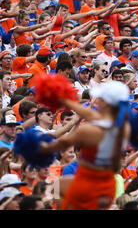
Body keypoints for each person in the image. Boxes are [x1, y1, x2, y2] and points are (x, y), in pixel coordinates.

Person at [39, 80, 131, 210]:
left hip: (88, 184)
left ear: (106, 103)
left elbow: (62, 143)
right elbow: (94, 116)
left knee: (57, 185)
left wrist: (39, 148)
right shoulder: (124, 127)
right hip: (109, 185)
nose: (97, 101)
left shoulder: (88, 131)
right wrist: (65, 100)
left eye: (100, 99)